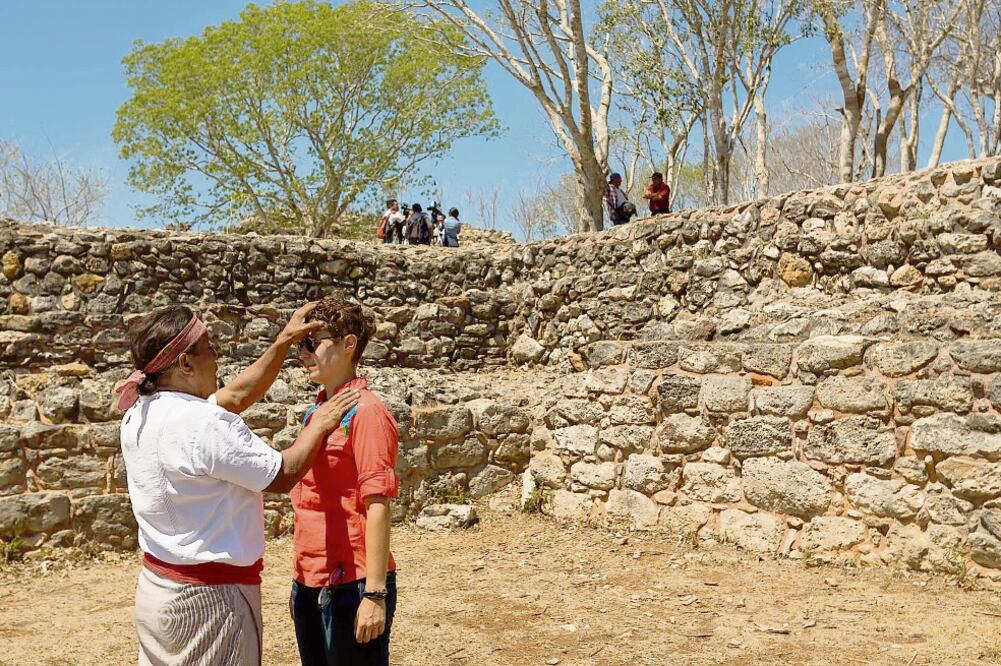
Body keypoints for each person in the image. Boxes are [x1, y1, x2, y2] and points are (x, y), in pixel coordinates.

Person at [118, 303, 359, 666]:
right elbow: (283, 473)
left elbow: (234, 397)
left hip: (158, 591)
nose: (216, 356)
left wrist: (282, 342)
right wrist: (319, 424)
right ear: (185, 364)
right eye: (209, 348)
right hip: (211, 602)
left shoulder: (141, 411)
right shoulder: (202, 425)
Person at [290, 298, 400, 666]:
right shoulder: (317, 413)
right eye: (300, 344)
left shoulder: (366, 412)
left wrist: (375, 594)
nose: (303, 352)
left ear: (348, 344)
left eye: (313, 341)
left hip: (351, 585)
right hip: (310, 580)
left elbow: (378, 503)